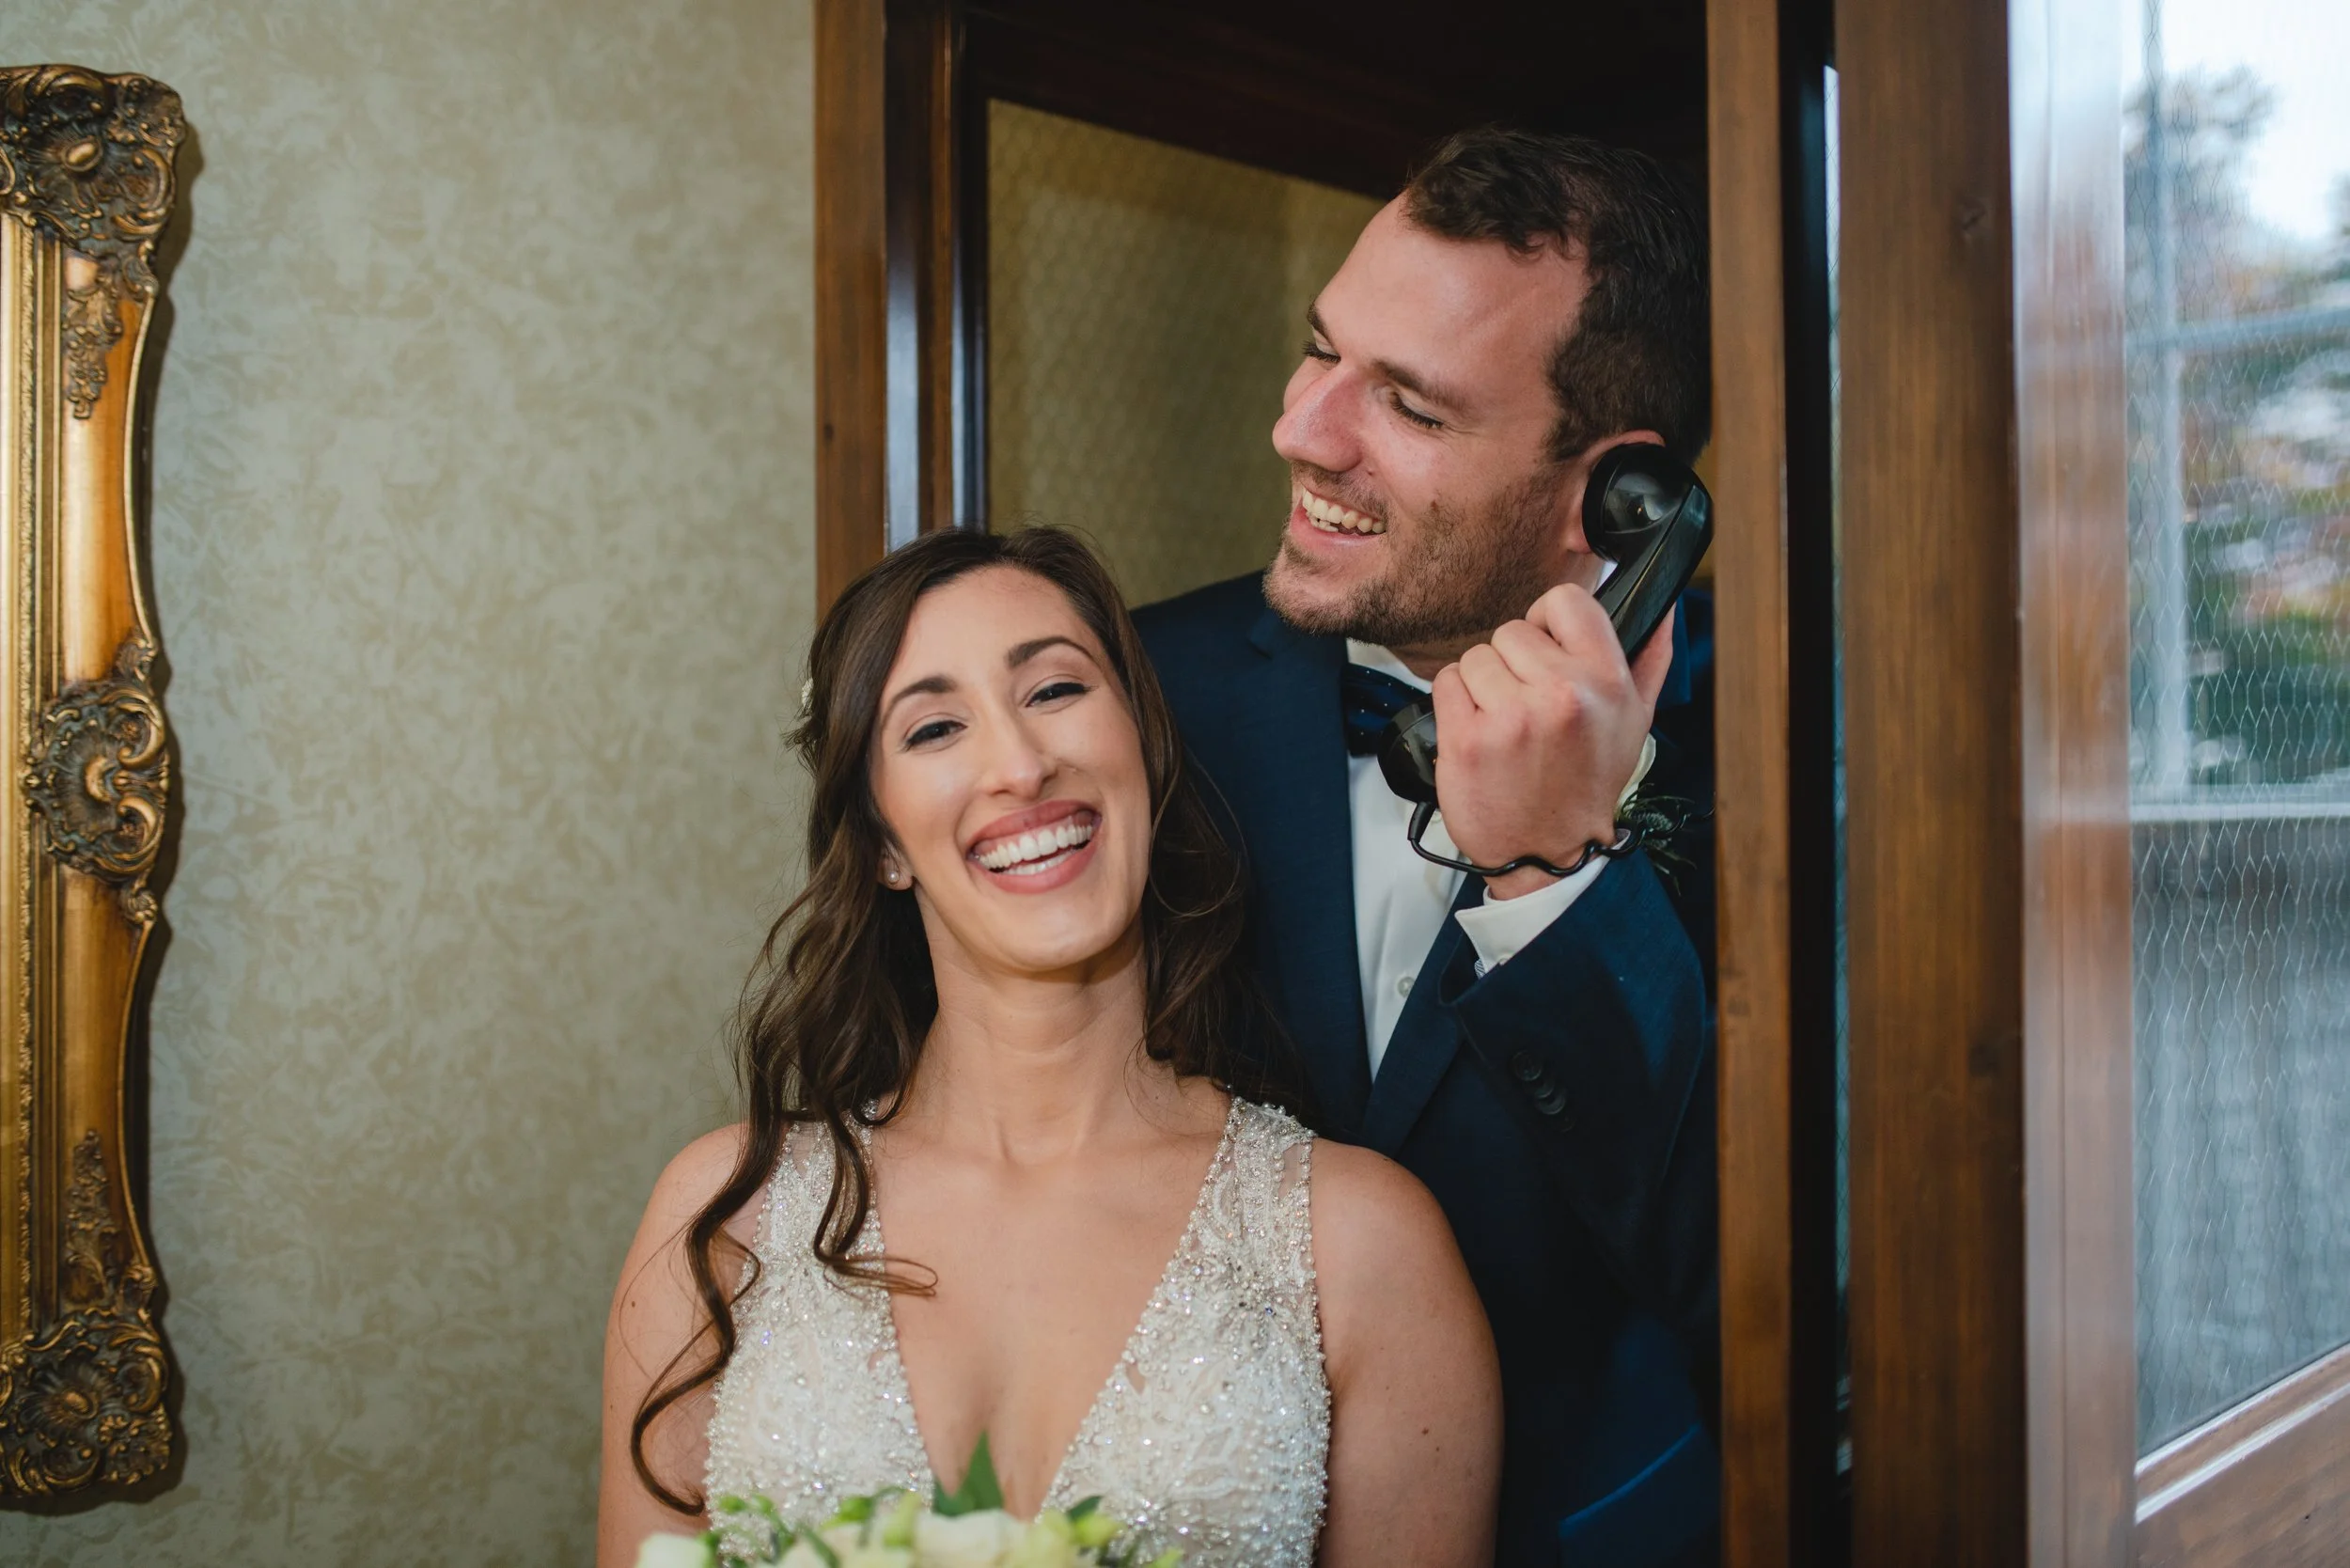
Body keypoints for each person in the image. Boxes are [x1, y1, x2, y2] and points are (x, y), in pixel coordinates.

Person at [597, 528, 1502, 1568]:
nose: (1020, 766)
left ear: (1145, 754)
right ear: (883, 840)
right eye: (935, 727)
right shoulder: (726, 1216)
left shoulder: (1358, 1244)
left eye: (1055, 691)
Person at [1134, 129, 1719, 1567]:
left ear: (1616, 497)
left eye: (1409, 404)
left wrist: (1559, 890)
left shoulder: (1799, 755)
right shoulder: (1139, 695)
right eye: (1320, 350)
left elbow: (1778, 1292)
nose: (1305, 431)